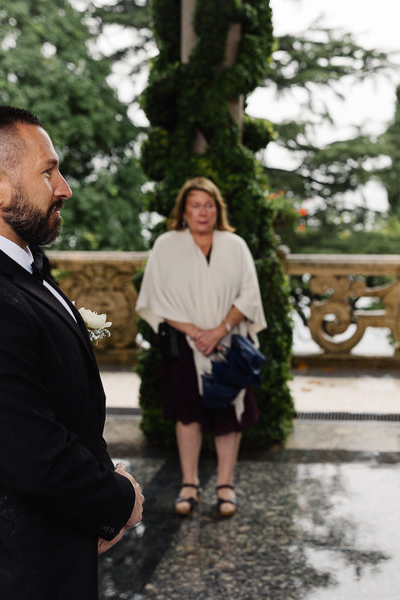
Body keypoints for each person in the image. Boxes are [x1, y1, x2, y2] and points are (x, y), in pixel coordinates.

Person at [0, 104, 144, 599]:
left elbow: (56, 404)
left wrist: (102, 479)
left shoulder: (17, 271)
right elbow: (33, 456)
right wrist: (119, 499)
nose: (64, 187)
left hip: (42, 558)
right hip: (6, 574)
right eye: (48, 170)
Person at [136, 176, 266, 518]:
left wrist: (219, 329)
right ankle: (190, 484)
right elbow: (154, 297)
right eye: (195, 205)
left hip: (228, 345)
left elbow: (250, 295)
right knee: (188, 414)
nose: (202, 211)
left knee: (228, 416)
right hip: (184, 343)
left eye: (209, 205)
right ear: (184, 210)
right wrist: (195, 331)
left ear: (217, 209)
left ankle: (226, 485)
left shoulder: (235, 245)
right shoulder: (166, 245)